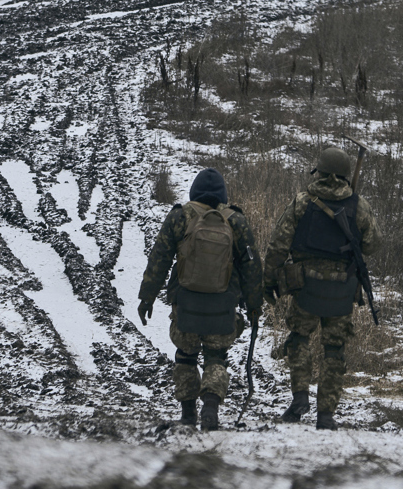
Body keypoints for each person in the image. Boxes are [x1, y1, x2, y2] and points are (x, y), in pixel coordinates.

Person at [263, 147, 382, 431]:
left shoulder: (302, 202)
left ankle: (300, 397)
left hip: (306, 287)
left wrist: (268, 281)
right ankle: (326, 414)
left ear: (319, 171)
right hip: (341, 290)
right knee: (334, 349)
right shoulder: (358, 205)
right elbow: (373, 244)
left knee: (299, 338)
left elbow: (278, 244)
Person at [137, 168, 263, 431]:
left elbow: (159, 259)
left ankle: (187, 414)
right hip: (223, 303)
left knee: (186, 355)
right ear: (223, 195)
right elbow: (251, 267)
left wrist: (147, 297)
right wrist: (253, 306)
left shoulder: (179, 217)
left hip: (186, 303)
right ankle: (210, 407)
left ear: (194, 191)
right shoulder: (235, 221)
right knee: (216, 356)